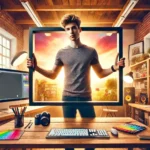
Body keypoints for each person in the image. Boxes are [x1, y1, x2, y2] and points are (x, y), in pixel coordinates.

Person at [27, 14, 125, 150]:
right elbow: (53, 74)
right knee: (68, 138)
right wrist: (35, 67)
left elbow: (101, 73)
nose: (71, 31)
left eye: (74, 28)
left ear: (80, 30)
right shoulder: (61, 52)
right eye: (68, 29)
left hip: (86, 98)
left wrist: (115, 67)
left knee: (91, 136)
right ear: (65, 32)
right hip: (67, 99)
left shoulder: (91, 51)